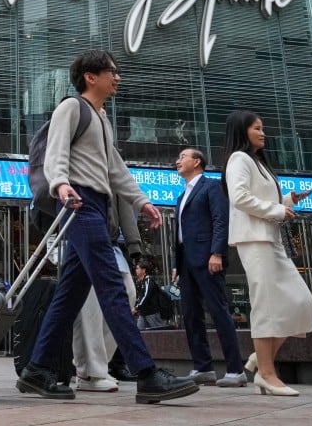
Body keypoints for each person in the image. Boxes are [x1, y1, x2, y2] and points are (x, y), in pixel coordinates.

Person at [16, 49, 198, 404]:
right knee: (113, 287)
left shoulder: (102, 119)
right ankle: (146, 374)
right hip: (78, 203)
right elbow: (55, 153)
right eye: (112, 72)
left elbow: (116, 170)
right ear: (90, 76)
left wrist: (141, 201)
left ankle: (36, 370)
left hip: (98, 205)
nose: (118, 77)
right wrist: (60, 184)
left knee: (68, 297)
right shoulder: (72, 108)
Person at [221, 110, 312, 397]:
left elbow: (259, 198)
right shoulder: (239, 159)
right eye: (257, 128)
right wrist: (278, 210)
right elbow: (239, 198)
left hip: (270, 239)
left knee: (301, 303)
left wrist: (287, 200)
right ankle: (267, 373)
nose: (263, 133)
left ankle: (258, 361)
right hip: (254, 240)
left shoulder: (258, 162)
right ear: (243, 130)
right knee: (266, 305)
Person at [174, 147, 247, 387]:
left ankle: (236, 370)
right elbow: (180, 233)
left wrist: (217, 252)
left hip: (207, 258)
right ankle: (202, 367)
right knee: (191, 314)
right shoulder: (181, 195)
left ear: (197, 162)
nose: (178, 161)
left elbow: (220, 220)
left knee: (218, 311)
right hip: (186, 261)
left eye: (182, 157)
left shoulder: (211, 187)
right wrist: (177, 264)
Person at [70, 195, 142, 393]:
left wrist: (134, 243)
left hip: (110, 242)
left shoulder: (111, 166)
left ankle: (100, 364)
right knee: (90, 309)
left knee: (127, 295)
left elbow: (126, 201)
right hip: (81, 235)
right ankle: (88, 372)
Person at [133, 260, 168, 329]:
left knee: (158, 333)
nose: (136, 270)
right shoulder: (141, 281)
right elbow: (141, 297)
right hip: (143, 313)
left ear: (143, 270)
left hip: (152, 312)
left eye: (137, 268)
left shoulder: (148, 280)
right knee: (140, 333)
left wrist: (137, 307)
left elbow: (146, 296)